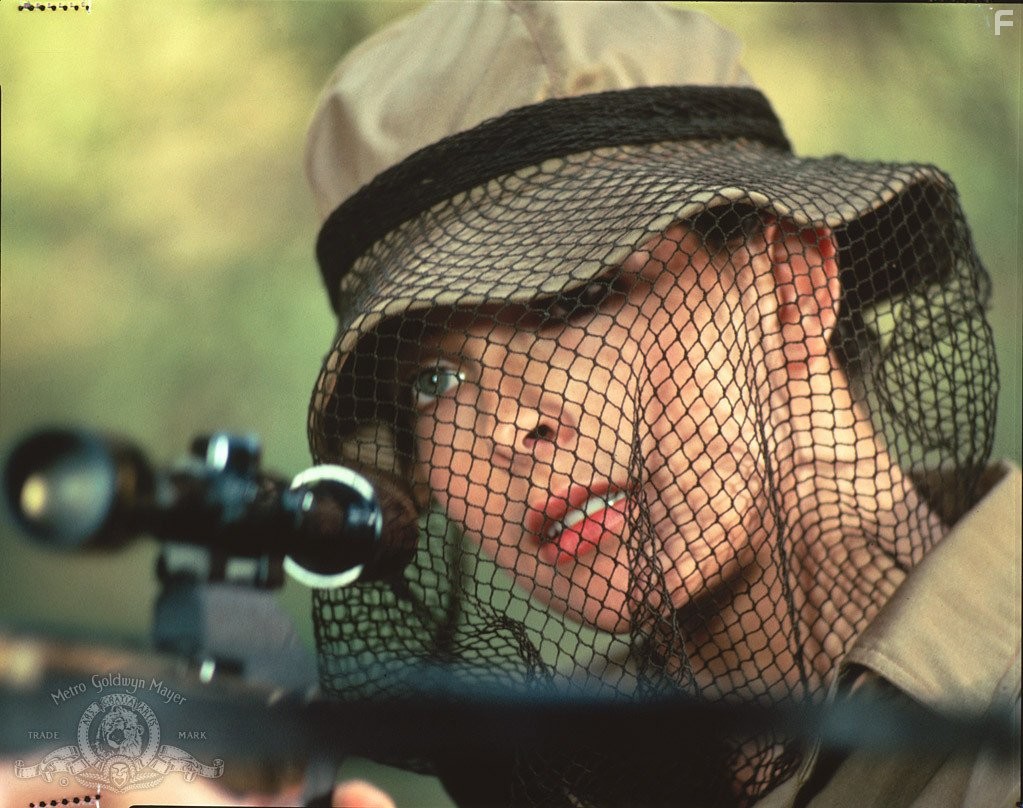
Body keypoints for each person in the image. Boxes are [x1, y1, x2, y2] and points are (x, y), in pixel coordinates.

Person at [302, 2, 1020, 806]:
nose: (504, 424)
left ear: (788, 285)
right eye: (429, 382)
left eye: (570, 301)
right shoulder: (569, 776)